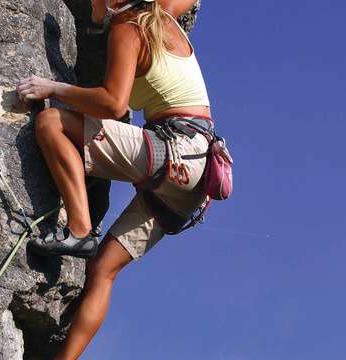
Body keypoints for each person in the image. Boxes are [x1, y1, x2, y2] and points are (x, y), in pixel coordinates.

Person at [17, 0, 217, 358]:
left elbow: (113, 104)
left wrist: (54, 88)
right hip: (198, 175)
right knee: (102, 269)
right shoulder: (162, 15)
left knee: (51, 123)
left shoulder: (129, 24)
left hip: (174, 150)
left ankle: (79, 229)